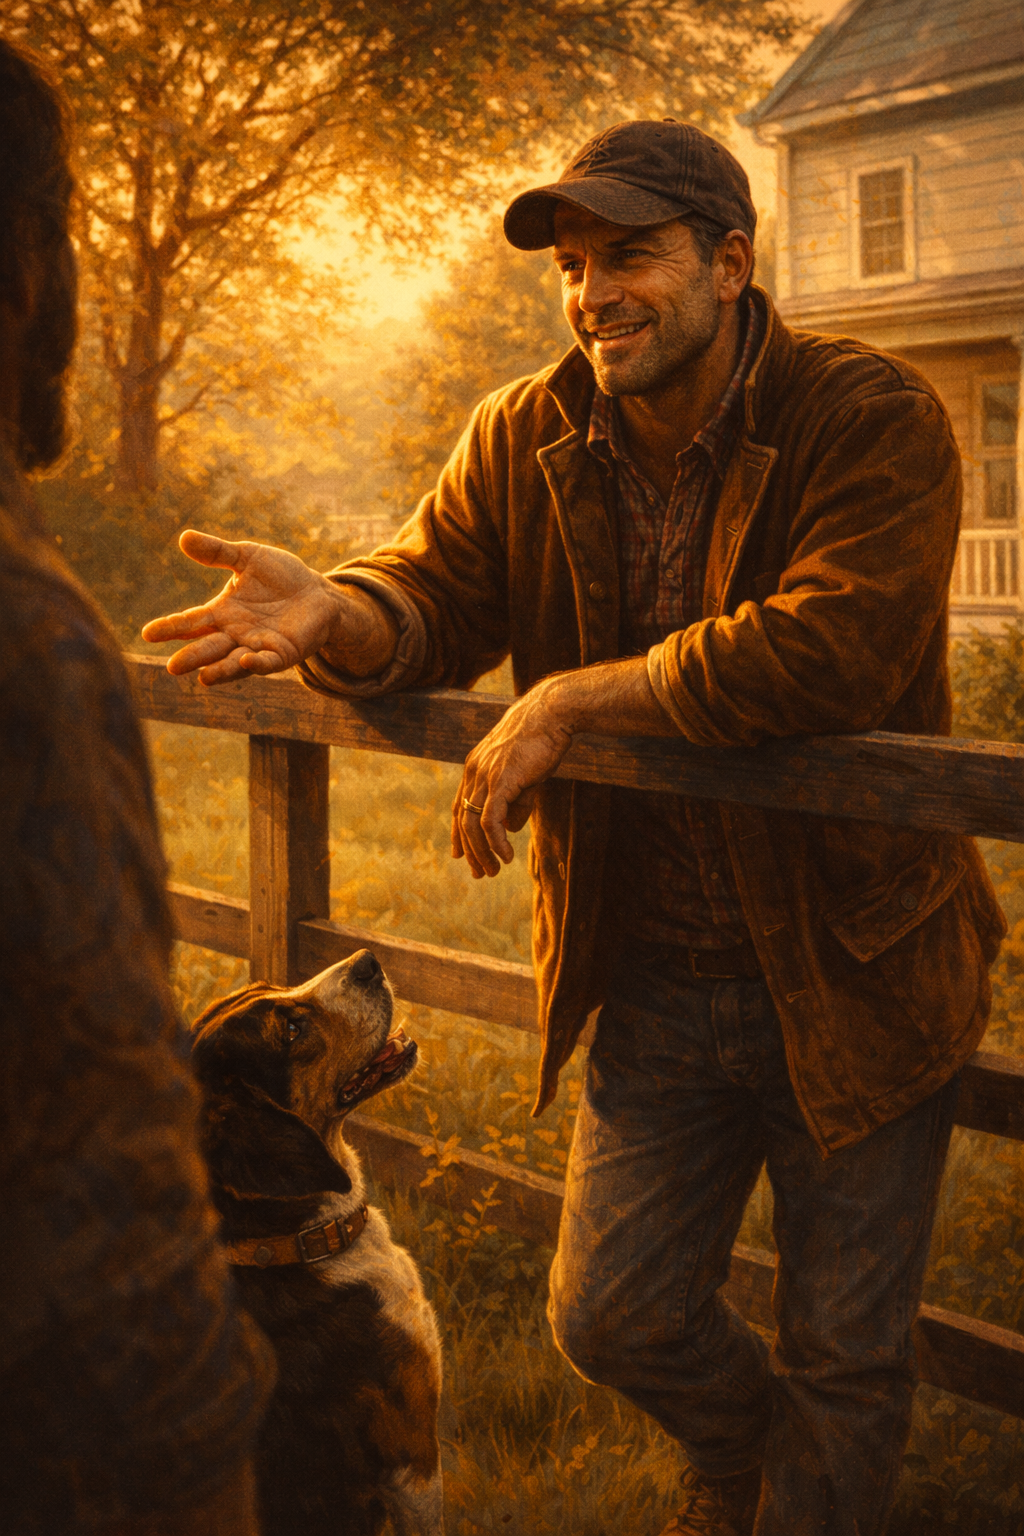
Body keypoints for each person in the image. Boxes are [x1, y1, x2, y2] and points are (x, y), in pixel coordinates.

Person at [144, 120, 1006, 1536]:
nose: (595, 292)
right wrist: (334, 614)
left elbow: (833, 647)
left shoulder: (871, 415)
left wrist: (572, 701)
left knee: (847, 1357)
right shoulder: (526, 430)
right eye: (577, 264)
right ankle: (754, 1462)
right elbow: (430, 592)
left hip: (857, 963)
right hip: (651, 974)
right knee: (612, 1315)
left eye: (632, 256)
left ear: (730, 262)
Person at [0, 39, 275, 1536]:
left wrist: (349, 612)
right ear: (30, 277)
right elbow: (106, 1159)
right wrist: (200, 1451)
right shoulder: (24, 643)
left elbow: (436, 583)